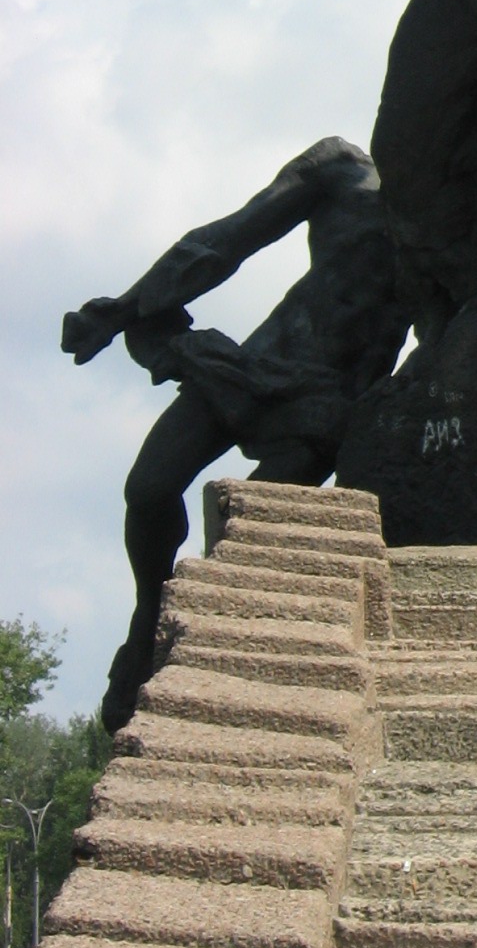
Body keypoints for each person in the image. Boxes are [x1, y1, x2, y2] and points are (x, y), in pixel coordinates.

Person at [60, 138, 409, 733]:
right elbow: (225, 240)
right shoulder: (339, 171)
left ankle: (195, 681)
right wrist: (127, 306)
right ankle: (150, 610)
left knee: (237, 549)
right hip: (252, 365)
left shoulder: (458, 212)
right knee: (147, 491)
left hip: (327, 406)